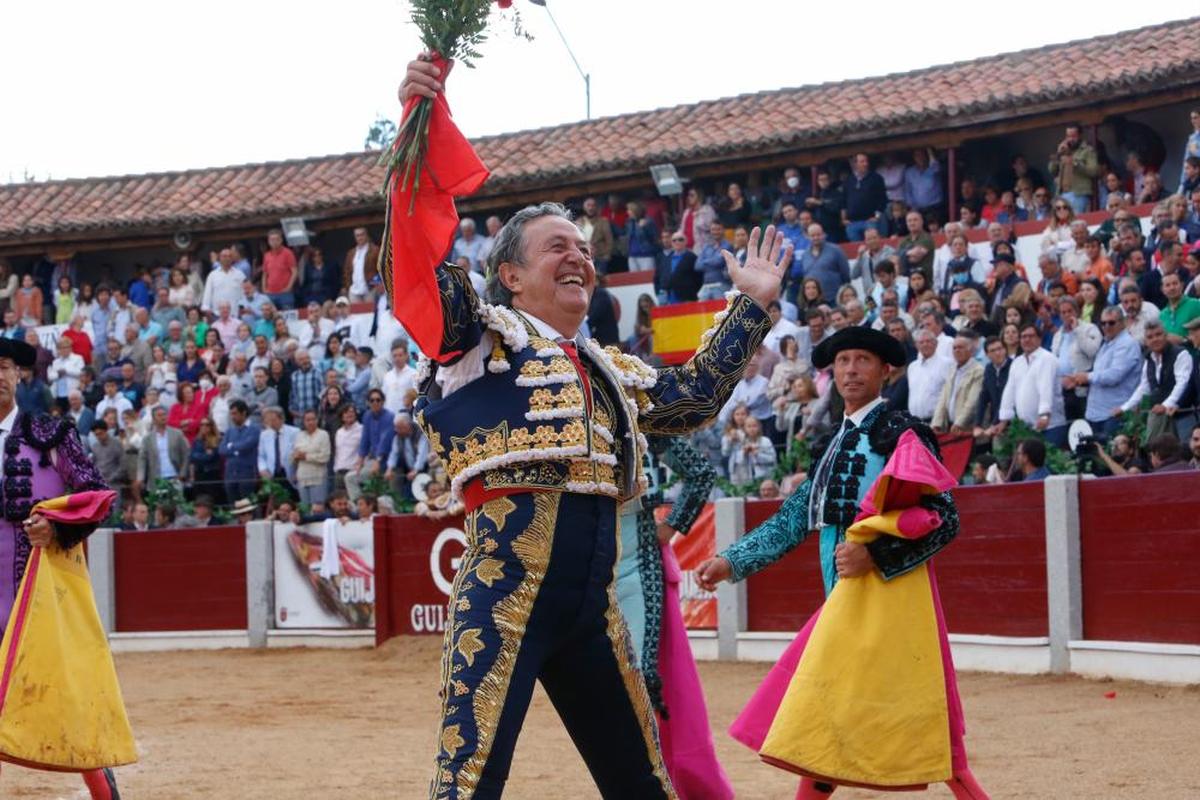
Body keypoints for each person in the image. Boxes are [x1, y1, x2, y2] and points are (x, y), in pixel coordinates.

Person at [400, 56, 791, 796]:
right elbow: (421, 265)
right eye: (558, 246)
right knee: (467, 786)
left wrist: (754, 307)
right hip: (502, 598)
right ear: (510, 276)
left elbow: (693, 396)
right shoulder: (479, 343)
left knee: (643, 785)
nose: (579, 255)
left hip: (593, 609)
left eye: (584, 248)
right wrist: (415, 143)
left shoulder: (609, 370)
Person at [696, 326, 987, 800]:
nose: (851, 370)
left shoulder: (903, 433)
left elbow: (944, 518)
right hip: (842, 594)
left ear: (885, 371)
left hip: (888, 600)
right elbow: (795, 517)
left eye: (863, 361)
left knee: (890, 720)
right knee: (830, 718)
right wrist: (732, 561)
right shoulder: (832, 440)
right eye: (844, 361)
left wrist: (875, 553)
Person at [0, 336, 129, 799]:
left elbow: (95, 495)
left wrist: (56, 529)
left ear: (19, 375)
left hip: (38, 592)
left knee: (68, 695)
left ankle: (102, 788)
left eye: (5, 366)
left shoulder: (49, 434)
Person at [613, 435, 731, 799]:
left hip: (637, 568)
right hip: (597, 568)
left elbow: (700, 473)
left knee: (641, 686)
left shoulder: (645, 419)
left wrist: (671, 526)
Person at [1068, 306, 1142, 437]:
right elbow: (1099, 375)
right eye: (1103, 323)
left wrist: (1087, 377)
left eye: (1111, 323)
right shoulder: (1106, 344)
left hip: (1115, 414)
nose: (1106, 326)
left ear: (1122, 322)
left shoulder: (1127, 344)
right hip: (1096, 414)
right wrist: (1079, 380)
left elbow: (1114, 375)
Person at [1119, 320, 1194, 441]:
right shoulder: (1149, 359)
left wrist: (1165, 405)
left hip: (1183, 414)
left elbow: (1182, 383)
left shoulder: (1181, 354)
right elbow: (1144, 387)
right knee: (1159, 452)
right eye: (1150, 337)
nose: (1155, 339)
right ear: (1146, 342)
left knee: (1185, 451)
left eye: (1158, 335)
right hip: (1160, 416)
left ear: (1166, 336)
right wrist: (1125, 407)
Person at [998, 324, 1066, 445]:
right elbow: (1009, 391)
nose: (1026, 340)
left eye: (1031, 336)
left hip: (1050, 426)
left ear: (1039, 339)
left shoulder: (1047, 359)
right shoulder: (1017, 362)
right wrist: (1004, 419)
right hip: (1027, 429)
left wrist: (1044, 414)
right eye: (1023, 337)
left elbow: (1046, 388)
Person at [932, 332, 985, 435]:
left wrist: (959, 423)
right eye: (954, 348)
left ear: (971, 351)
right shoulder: (952, 370)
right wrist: (936, 423)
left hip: (967, 428)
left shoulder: (978, 371)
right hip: (951, 427)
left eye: (960, 347)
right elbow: (943, 399)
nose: (957, 351)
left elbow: (972, 401)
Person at [135, 405, 189, 498]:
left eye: (164, 414)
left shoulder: (177, 434)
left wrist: (182, 473)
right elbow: (142, 459)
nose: (163, 417)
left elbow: (186, 453)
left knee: (177, 506)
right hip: (156, 479)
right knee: (159, 507)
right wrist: (140, 477)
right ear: (154, 419)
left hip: (175, 477)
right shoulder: (148, 438)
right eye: (159, 415)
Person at [1047, 124, 1099, 213]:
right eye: (1068, 136)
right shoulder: (1063, 150)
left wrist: (1075, 163)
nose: (1070, 139)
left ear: (1080, 136)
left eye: (1073, 136)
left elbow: (1094, 171)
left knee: (1075, 221)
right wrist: (1058, 154)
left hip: (1079, 193)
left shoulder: (1087, 151)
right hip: (1062, 193)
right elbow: (1052, 170)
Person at [293, 409, 332, 509]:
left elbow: (325, 457)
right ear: (304, 421)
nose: (310, 422)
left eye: (313, 419)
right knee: (305, 509)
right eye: (307, 420)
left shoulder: (323, 434)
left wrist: (306, 456)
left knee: (318, 509)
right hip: (302, 477)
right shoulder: (299, 435)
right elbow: (295, 454)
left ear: (317, 420)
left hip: (317, 477)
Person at [257, 406, 298, 491]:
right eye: (268, 420)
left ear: (282, 419)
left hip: (289, 473)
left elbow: (298, 452)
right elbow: (261, 456)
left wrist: (297, 472)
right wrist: (263, 469)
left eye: (273, 420)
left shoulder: (295, 432)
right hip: (272, 474)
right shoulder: (264, 435)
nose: (270, 423)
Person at [262, 229, 298, 309]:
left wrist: (289, 287)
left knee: (288, 317)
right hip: (270, 293)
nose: (274, 242)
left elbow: (294, 272)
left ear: (281, 240)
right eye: (272, 239)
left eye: (277, 239)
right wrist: (264, 288)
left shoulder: (288, 253)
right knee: (271, 317)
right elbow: (264, 274)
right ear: (268, 241)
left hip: (284, 293)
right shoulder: (266, 255)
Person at [343, 227, 380, 302]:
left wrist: (377, 284)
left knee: (371, 312)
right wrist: (348, 286)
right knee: (356, 313)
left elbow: (380, 269)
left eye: (362, 235)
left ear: (366, 235)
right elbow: (347, 271)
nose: (360, 237)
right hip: (354, 290)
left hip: (370, 289)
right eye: (357, 235)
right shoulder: (351, 253)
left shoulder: (375, 250)